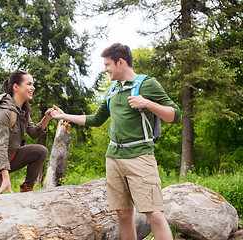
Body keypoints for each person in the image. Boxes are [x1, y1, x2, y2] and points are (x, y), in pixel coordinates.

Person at [51, 43, 181, 240]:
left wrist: (146, 103)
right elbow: (96, 119)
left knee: (154, 213)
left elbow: (175, 115)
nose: (105, 69)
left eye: (107, 64)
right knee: (122, 214)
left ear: (121, 62)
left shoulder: (147, 84)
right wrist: (64, 115)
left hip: (140, 157)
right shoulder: (113, 89)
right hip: (113, 157)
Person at [0, 70, 54, 195]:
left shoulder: (22, 109)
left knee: (40, 151)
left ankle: (26, 190)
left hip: (8, 157)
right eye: (29, 84)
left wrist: (46, 118)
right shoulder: (4, 111)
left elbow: (33, 133)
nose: (33, 88)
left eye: (33, 84)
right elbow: (0, 145)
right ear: (16, 87)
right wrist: (5, 178)